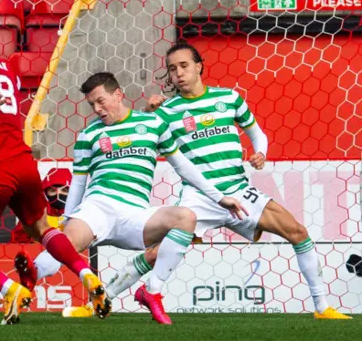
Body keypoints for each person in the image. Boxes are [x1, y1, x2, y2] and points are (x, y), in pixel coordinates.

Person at [63, 42, 352, 320]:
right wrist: (150, 110)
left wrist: (260, 151)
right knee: (155, 254)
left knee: (298, 232)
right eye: (172, 69)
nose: (178, 73)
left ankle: (321, 306)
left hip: (238, 190)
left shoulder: (228, 98)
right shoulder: (166, 112)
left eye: (184, 66)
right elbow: (135, 125)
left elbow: (256, 133)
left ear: (199, 66)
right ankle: (97, 303)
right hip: (198, 197)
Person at [14, 72, 247, 324]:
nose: (97, 109)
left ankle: (152, 291)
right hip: (97, 208)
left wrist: (219, 197)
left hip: (135, 215)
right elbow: (79, 182)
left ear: (118, 94)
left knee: (187, 218)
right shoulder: (88, 135)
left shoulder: (152, 125)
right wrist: (68, 217)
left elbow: (185, 167)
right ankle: (27, 279)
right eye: (92, 104)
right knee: (66, 242)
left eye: (101, 101)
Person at [0, 19, 110, 325]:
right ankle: (87, 275)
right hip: (25, 164)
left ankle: (10, 289)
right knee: (42, 229)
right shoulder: (6, 68)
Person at [11, 167, 72, 243]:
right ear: (45, 192)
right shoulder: (36, 212)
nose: (58, 193)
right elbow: (18, 240)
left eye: (64, 190)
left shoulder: (77, 213)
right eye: (53, 190)